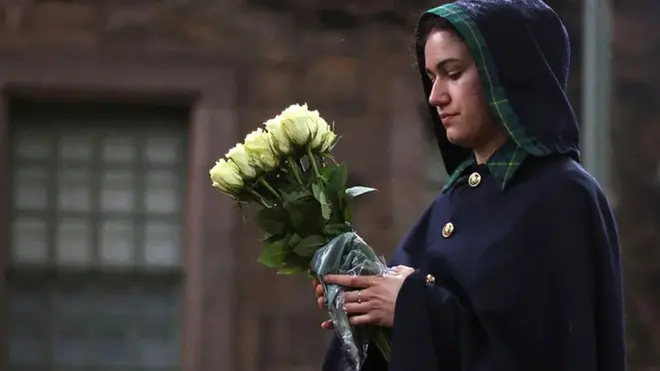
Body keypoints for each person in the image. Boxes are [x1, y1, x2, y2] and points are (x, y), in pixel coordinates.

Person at [313, 0, 626, 370]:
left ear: (508, 76)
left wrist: (409, 306)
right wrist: (364, 308)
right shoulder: (454, 198)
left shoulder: (563, 195)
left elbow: (548, 352)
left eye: (453, 73)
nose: (435, 97)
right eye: (432, 77)